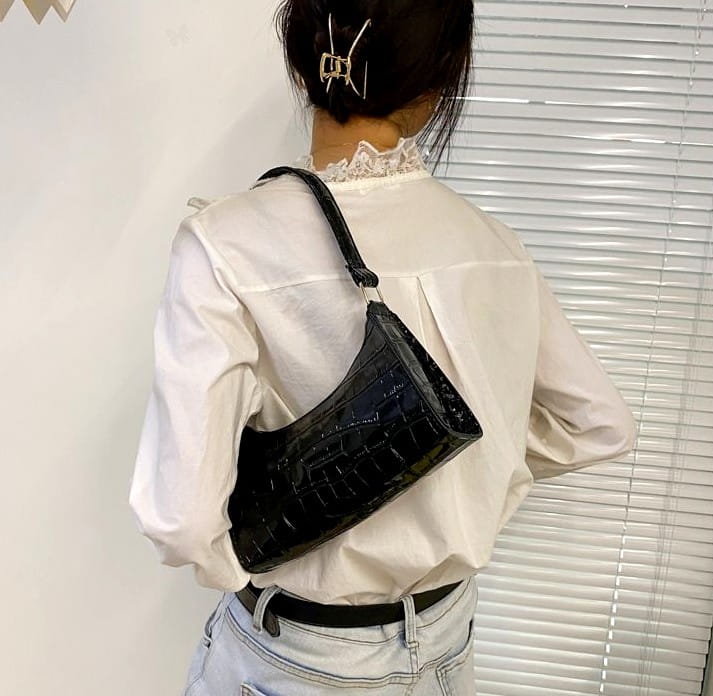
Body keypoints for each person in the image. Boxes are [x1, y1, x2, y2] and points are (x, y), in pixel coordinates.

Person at [127, 1, 638, 694]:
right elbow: (599, 424)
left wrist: (260, 565)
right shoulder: (492, 245)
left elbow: (181, 519)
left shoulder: (225, 245)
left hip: (301, 656)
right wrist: (456, 465)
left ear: (302, 69)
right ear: (438, 82)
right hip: (447, 638)